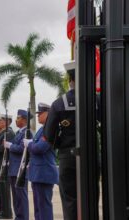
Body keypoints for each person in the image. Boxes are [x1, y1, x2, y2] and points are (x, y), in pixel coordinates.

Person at [44, 61, 77, 220]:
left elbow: (49, 135)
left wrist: (59, 145)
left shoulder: (59, 103)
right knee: (92, 194)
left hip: (68, 156)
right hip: (92, 155)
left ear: (69, 79)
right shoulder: (97, 99)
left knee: (70, 200)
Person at [24, 103, 59, 220]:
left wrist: (29, 144)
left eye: (41, 114)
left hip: (44, 172)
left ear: (48, 114)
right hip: (38, 173)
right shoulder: (42, 129)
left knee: (44, 206)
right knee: (38, 206)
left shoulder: (50, 128)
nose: (38, 116)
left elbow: (39, 148)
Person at [3, 109, 32, 220]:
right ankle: (18, 217)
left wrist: (10, 146)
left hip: (20, 168)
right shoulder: (19, 132)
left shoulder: (27, 133)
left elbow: (22, 148)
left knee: (21, 196)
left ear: (24, 120)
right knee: (16, 196)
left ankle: (23, 217)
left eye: (18, 118)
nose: (16, 120)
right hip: (14, 168)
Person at [0, 114, 15, 219]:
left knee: (4, 189)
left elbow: (4, 148)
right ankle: (2, 211)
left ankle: (7, 213)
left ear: (7, 121)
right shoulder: (2, 133)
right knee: (0, 189)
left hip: (4, 164)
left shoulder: (9, 133)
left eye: (1, 120)